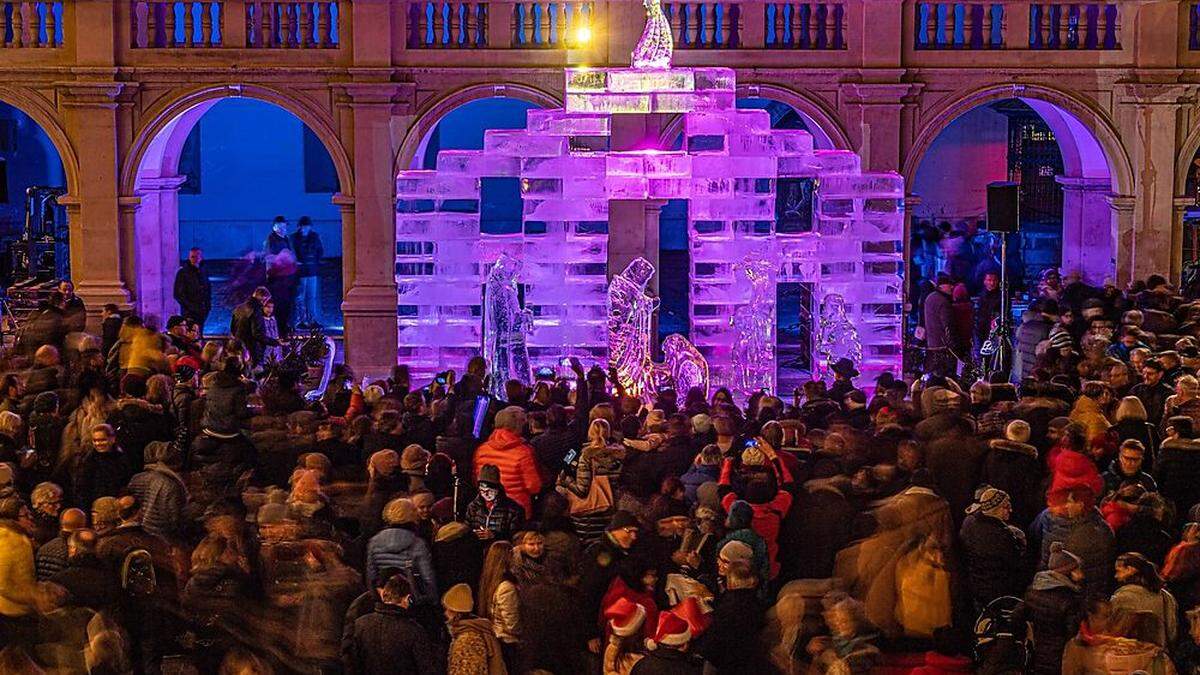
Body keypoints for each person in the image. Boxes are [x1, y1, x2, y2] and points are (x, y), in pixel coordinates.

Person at [342, 573, 441, 675]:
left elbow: (350, 661)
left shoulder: (360, 624)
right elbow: (427, 668)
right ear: (407, 598)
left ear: (384, 596)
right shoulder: (414, 631)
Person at [442, 582, 507, 675]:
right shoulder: (475, 630)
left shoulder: (467, 640)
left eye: (448, 609)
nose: (445, 613)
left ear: (456, 613)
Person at [230, 286, 279, 366]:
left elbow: (233, 329)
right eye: (265, 300)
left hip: (239, 347)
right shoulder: (256, 310)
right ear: (263, 299)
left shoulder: (239, 308)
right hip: (252, 351)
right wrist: (275, 342)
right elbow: (257, 334)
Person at [291, 216, 324, 329]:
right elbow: (292, 252)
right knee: (301, 297)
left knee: (311, 297)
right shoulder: (294, 238)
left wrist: (315, 262)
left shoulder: (314, 237)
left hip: (311, 271)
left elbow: (320, 251)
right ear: (299, 227)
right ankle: (302, 320)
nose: (305, 228)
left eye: (307, 226)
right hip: (301, 272)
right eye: (303, 226)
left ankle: (312, 320)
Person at [923, 273, 956, 377]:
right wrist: (951, 343)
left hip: (931, 343)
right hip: (942, 344)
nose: (952, 287)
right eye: (949, 284)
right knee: (942, 373)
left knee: (933, 372)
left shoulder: (930, 297)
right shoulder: (943, 301)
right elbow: (947, 324)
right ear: (941, 286)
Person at [173, 247, 211, 334]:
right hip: (189, 312)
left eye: (197, 257)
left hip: (202, 311)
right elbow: (177, 294)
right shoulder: (183, 273)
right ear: (189, 258)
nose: (195, 259)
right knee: (191, 333)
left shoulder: (203, 272)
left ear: (201, 257)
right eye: (192, 257)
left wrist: (208, 307)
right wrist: (191, 307)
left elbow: (207, 290)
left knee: (199, 333)